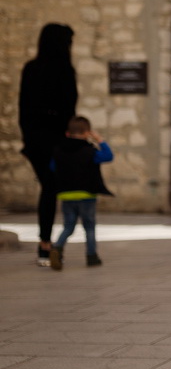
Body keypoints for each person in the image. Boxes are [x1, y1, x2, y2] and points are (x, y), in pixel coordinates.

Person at [18, 23, 78, 267]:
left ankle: (46, 242)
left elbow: (24, 109)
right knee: (52, 187)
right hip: (55, 139)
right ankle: (49, 242)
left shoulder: (31, 69)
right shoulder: (64, 70)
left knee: (49, 188)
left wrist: (28, 138)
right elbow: (69, 108)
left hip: (35, 139)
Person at [47, 115, 113, 270]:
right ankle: (92, 257)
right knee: (89, 227)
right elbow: (108, 156)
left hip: (66, 195)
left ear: (67, 133)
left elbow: (52, 168)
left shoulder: (58, 150)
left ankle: (57, 247)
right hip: (86, 195)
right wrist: (99, 139)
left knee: (68, 227)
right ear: (87, 133)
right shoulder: (89, 151)